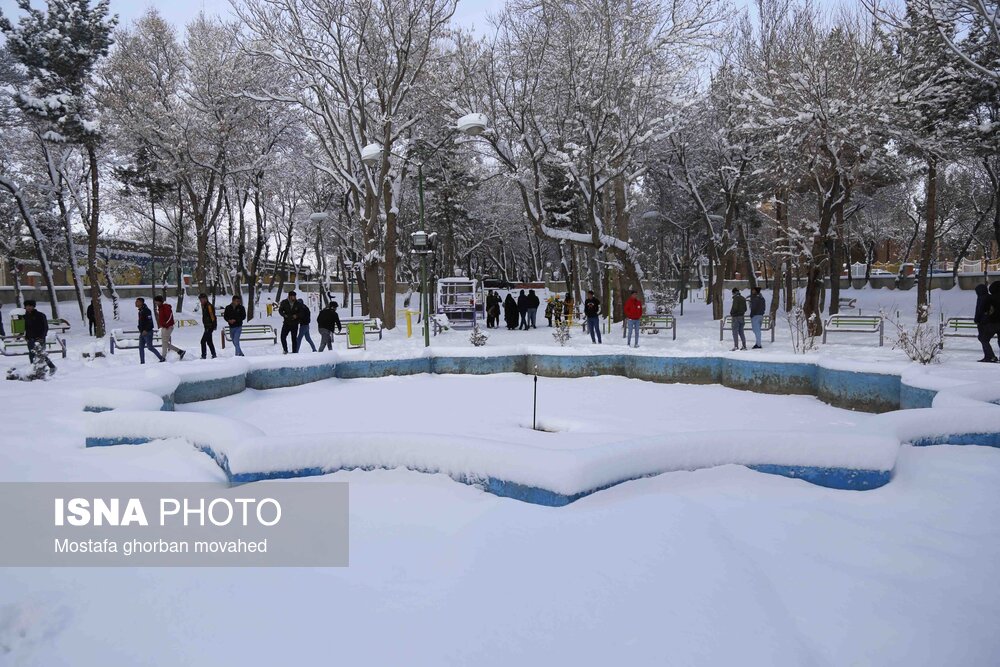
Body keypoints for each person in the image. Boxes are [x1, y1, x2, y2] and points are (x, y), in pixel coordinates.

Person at [22, 300, 55, 374]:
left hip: (39, 338)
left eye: (30, 306)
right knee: (31, 354)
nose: (29, 307)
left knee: (41, 354)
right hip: (30, 338)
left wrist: (42, 337)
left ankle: (51, 367)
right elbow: (23, 327)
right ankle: (33, 369)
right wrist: (25, 336)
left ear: (33, 306)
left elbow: (45, 327)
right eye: (27, 306)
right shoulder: (24, 316)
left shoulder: (40, 315)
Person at [153, 294, 186, 360]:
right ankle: (180, 351)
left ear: (160, 301)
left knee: (164, 343)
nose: (155, 303)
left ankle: (163, 357)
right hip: (164, 327)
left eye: (156, 301)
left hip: (168, 327)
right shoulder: (160, 308)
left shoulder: (165, 307)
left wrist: (166, 324)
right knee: (164, 343)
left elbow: (169, 316)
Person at [135, 297, 164, 364]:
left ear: (141, 303)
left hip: (148, 332)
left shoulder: (147, 310)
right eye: (136, 301)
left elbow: (150, 322)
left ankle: (161, 358)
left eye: (137, 301)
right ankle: (142, 362)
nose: (136, 303)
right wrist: (140, 329)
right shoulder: (140, 311)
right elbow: (140, 322)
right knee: (141, 347)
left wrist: (146, 330)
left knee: (150, 347)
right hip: (142, 332)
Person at [198, 293, 217, 359]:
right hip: (206, 326)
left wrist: (213, 325)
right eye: (200, 299)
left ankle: (204, 355)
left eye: (202, 299)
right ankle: (214, 354)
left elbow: (213, 316)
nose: (201, 301)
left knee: (203, 341)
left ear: (205, 299)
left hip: (209, 326)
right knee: (209, 341)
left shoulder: (209, 306)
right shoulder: (204, 305)